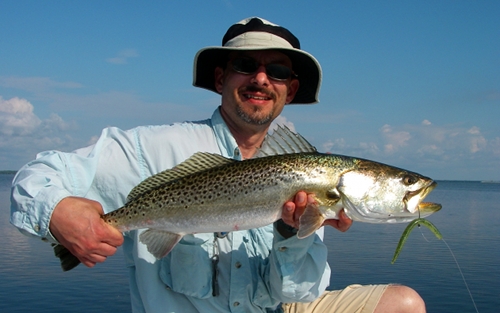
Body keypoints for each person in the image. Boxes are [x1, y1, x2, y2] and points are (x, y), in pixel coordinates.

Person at [10, 17, 426, 313]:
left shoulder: (311, 176)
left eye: (278, 71)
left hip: (274, 308)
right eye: (246, 66)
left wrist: (292, 232)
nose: (261, 79)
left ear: (291, 89)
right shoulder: (151, 148)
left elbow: (299, 293)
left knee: (404, 304)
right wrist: (58, 212)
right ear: (219, 79)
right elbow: (38, 174)